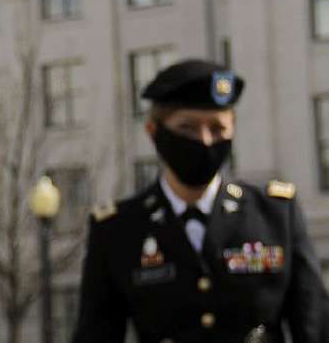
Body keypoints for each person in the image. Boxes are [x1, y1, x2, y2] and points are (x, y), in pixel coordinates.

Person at [73, 59, 326, 342]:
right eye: (187, 128)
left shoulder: (275, 215)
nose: (205, 141)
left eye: (217, 128)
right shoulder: (118, 229)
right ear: (153, 131)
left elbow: (314, 326)